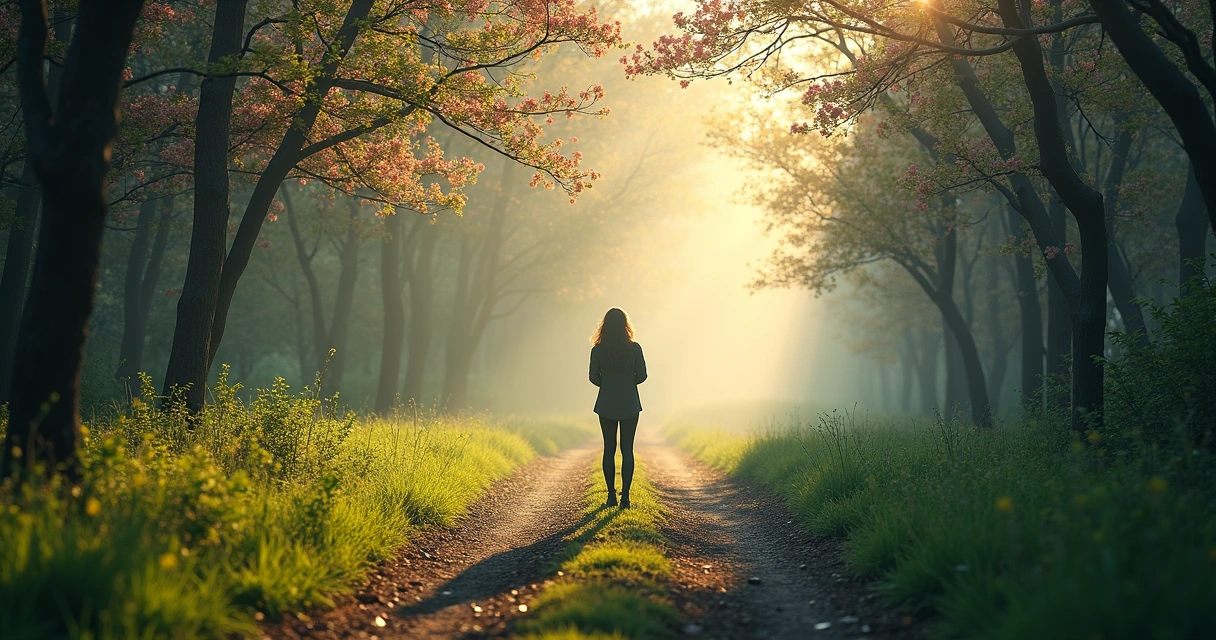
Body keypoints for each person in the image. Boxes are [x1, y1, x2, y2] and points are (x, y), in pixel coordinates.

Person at [589, 307, 647, 508]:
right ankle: (626, 498)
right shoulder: (635, 348)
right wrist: (627, 382)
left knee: (609, 449)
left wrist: (607, 384)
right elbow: (643, 375)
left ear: (605, 325)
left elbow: (593, 377)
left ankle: (611, 496)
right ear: (625, 326)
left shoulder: (597, 350)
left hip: (606, 402)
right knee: (627, 450)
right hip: (630, 402)